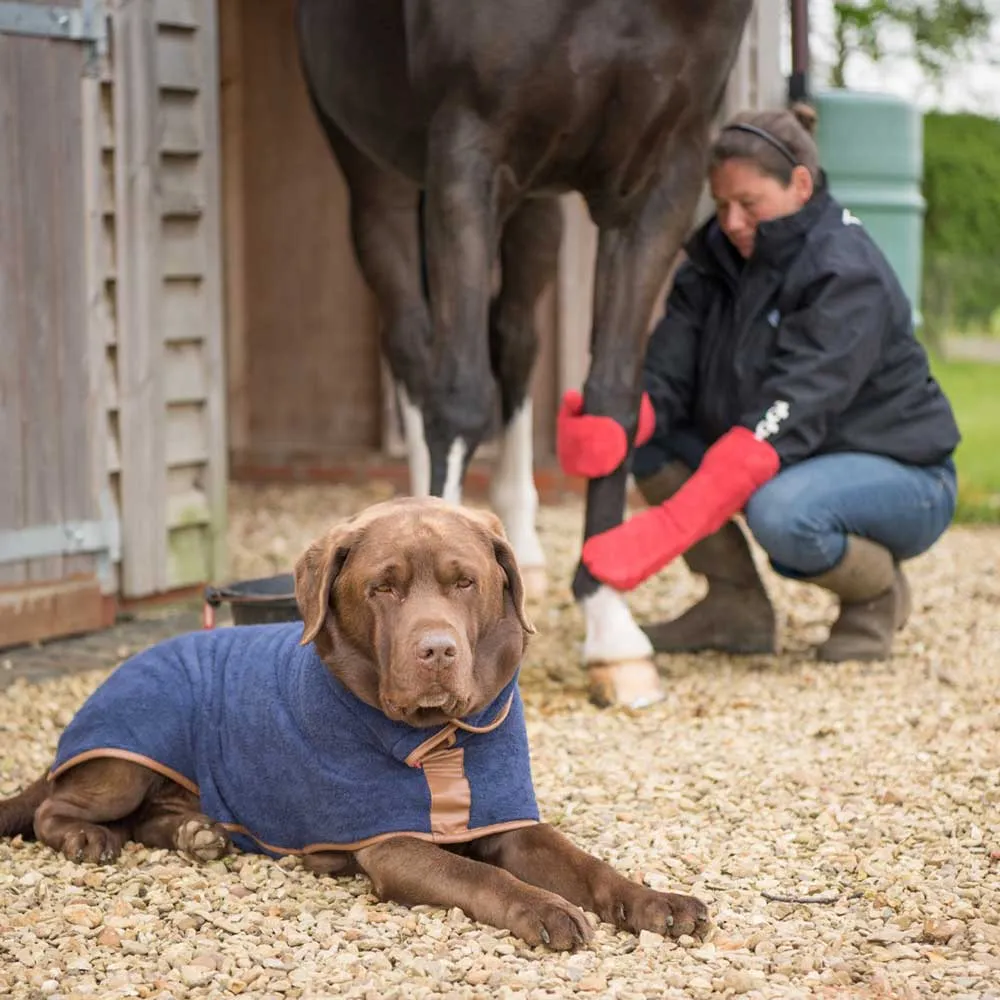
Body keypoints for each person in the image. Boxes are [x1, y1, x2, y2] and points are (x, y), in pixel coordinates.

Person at [558, 103, 960, 662]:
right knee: (650, 442)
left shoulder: (846, 273)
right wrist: (624, 419)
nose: (732, 222)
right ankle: (735, 607)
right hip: (791, 455)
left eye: (749, 204)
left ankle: (877, 593)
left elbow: (788, 413)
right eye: (722, 204)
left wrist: (670, 527)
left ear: (800, 184)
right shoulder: (713, 260)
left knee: (783, 513)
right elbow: (668, 374)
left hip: (906, 478)